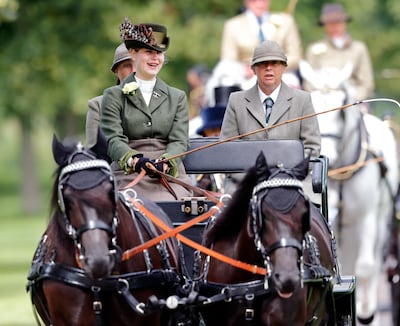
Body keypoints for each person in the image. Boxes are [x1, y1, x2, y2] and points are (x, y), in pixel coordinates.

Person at [100, 18, 192, 201]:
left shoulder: (177, 97)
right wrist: (134, 160)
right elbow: (114, 140)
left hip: (168, 176)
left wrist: (166, 162)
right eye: (149, 52)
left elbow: (180, 141)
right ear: (133, 54)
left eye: (159, 53)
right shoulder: (113, 96)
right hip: (128, 175)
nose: (155, 58)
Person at [220, 40, 321, 200]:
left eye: (275, 63)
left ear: (284, 68)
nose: (269, 68)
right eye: (262, 64)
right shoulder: (236, 101)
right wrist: (252, 178)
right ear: (253, 69)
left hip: (293, 182)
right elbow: (227, 148)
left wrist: (286, 177)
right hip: (246, 183)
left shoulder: (302, 100)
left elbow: (312, 148)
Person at [304, 3, 374, 101]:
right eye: (330, 23)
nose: (334, 27)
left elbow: (366, 83)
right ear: (325, 26)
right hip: (322, 99)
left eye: (338, 23)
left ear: (344, 23)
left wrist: (353, 98)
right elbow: (308, 82)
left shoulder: (358, 48)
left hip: (353, 99)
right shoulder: (314, 50)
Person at [220, 0, 302, 79]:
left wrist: (274, 67)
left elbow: (295, 56)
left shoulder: (286, 21)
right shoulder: (232, 25)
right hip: (246, 79)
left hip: (282, 76)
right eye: (254, 0)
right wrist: (246, 70)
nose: (260, 3)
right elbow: (228, 60)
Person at [85, 43, 134, 148]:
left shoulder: (168, 102)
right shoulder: (98, 106)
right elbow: (94, 155)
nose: (134, 71)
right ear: (116, 71)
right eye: (127, 65)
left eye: (139, 64)